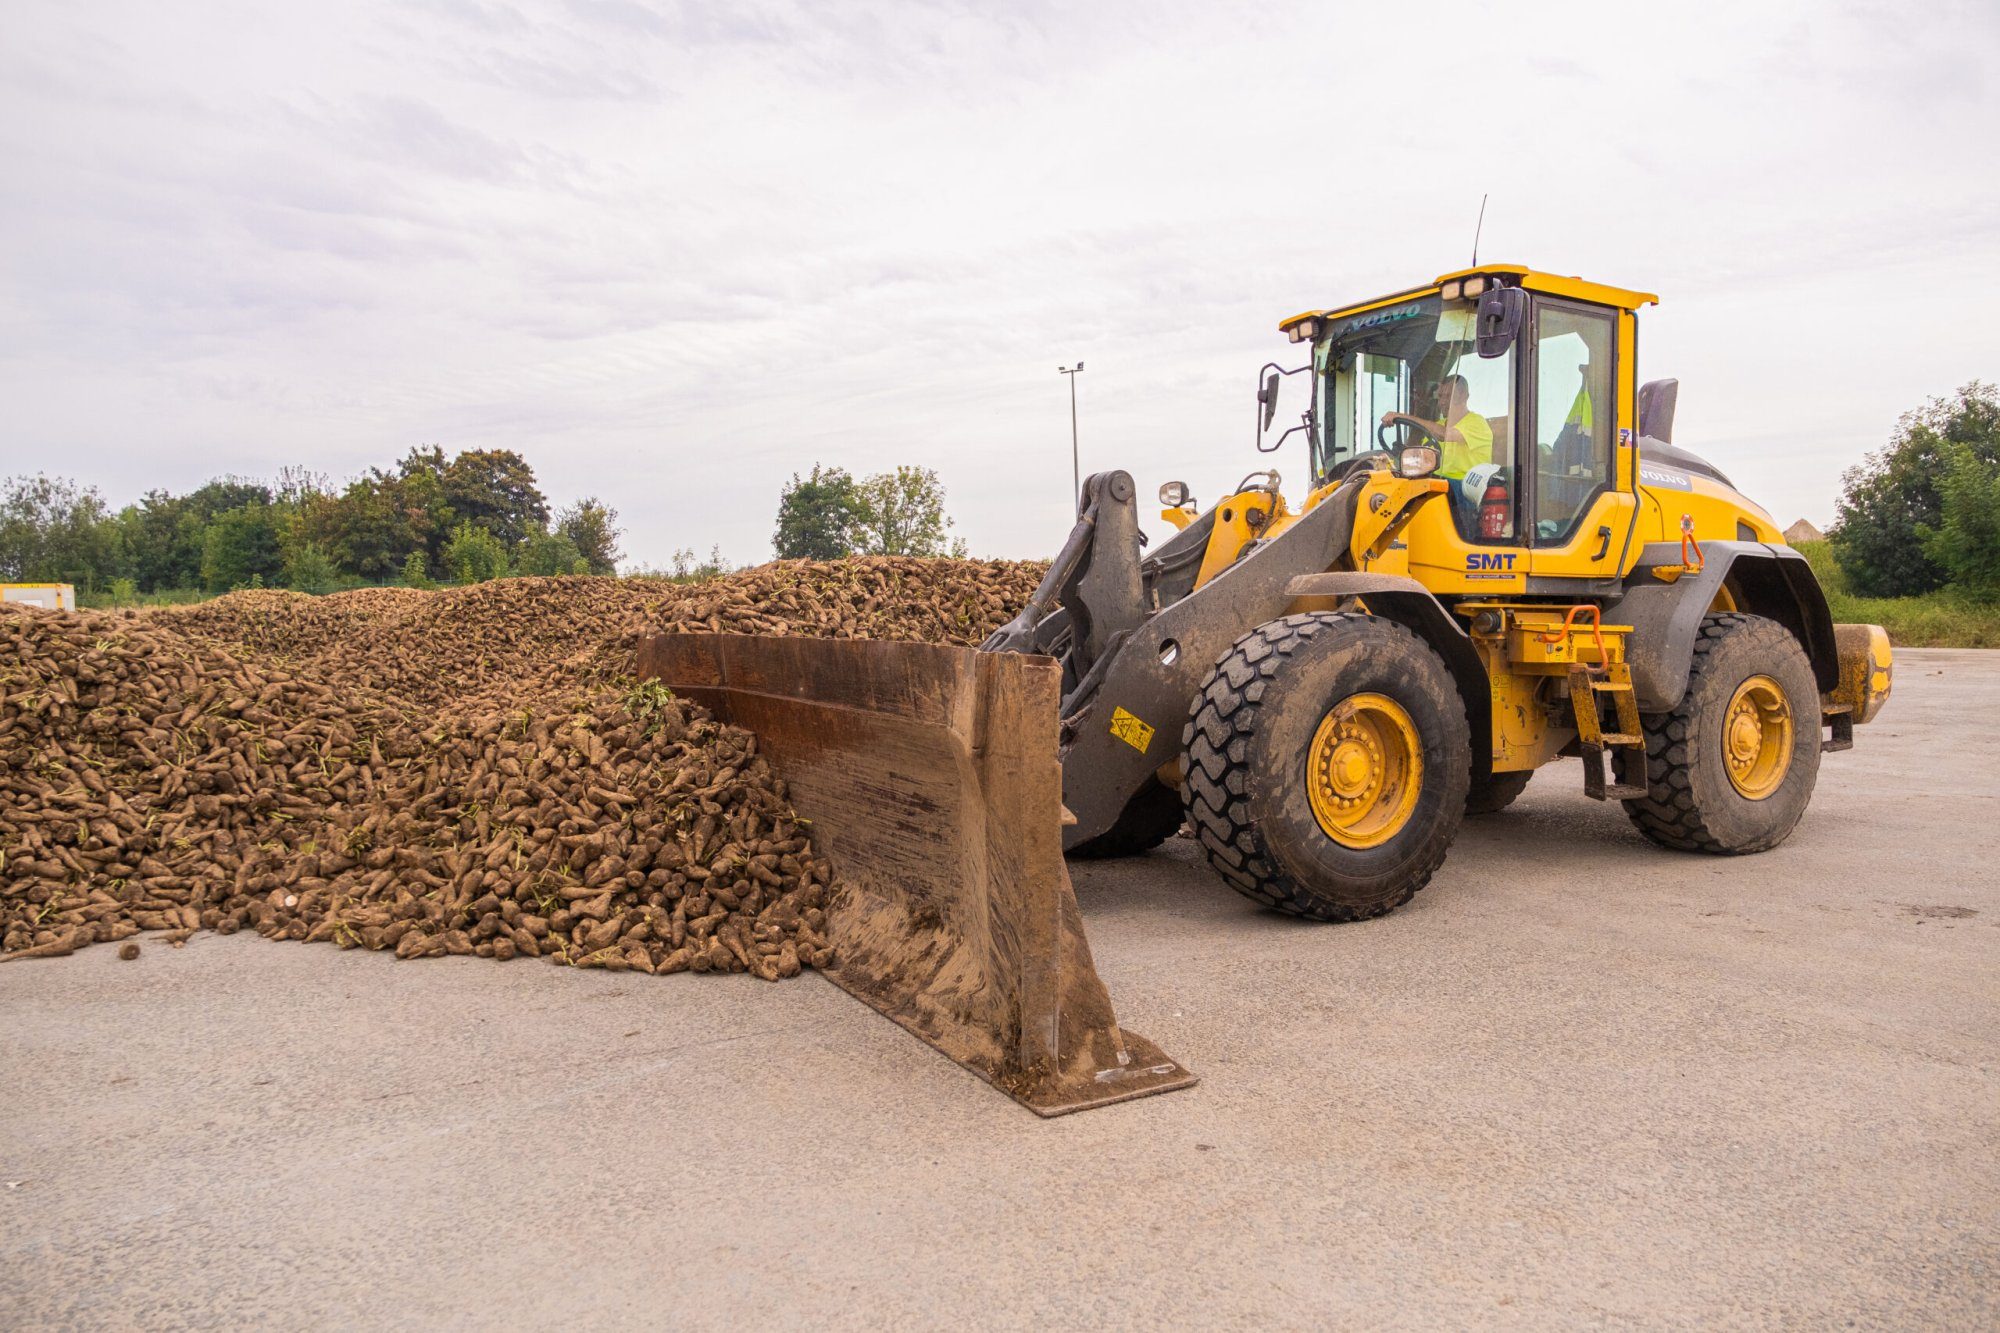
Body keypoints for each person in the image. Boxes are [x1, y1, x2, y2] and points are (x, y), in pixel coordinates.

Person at [1380, 373, 1492, 482]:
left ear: (1464, 397)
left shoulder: (1477, 423)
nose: (1442, 402)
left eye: (1448, 397)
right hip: (1438, 485)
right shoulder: (1439, 424)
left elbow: (1444, 435)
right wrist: (1393, 464)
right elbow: (1422, 461)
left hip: (1465, 488)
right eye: (1440, 396)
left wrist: (1401, 416)